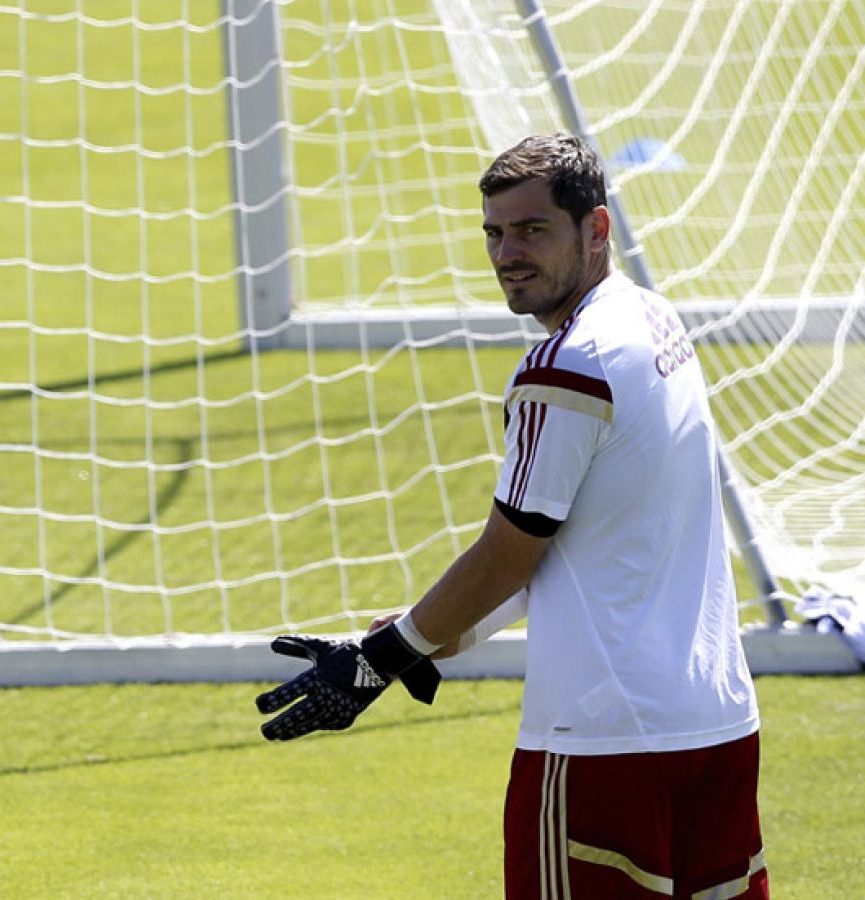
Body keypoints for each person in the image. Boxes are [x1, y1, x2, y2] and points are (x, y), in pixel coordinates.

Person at [253, 134, 766, 899]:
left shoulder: (565, 366)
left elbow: (510, 552)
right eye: (494, 232)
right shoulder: (653, 323)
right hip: (716, 727)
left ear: (597, 230)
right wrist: (433, 634)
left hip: (600, 744)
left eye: (533, 231)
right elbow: (588, 540)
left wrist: (378, 661)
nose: (507, 254)